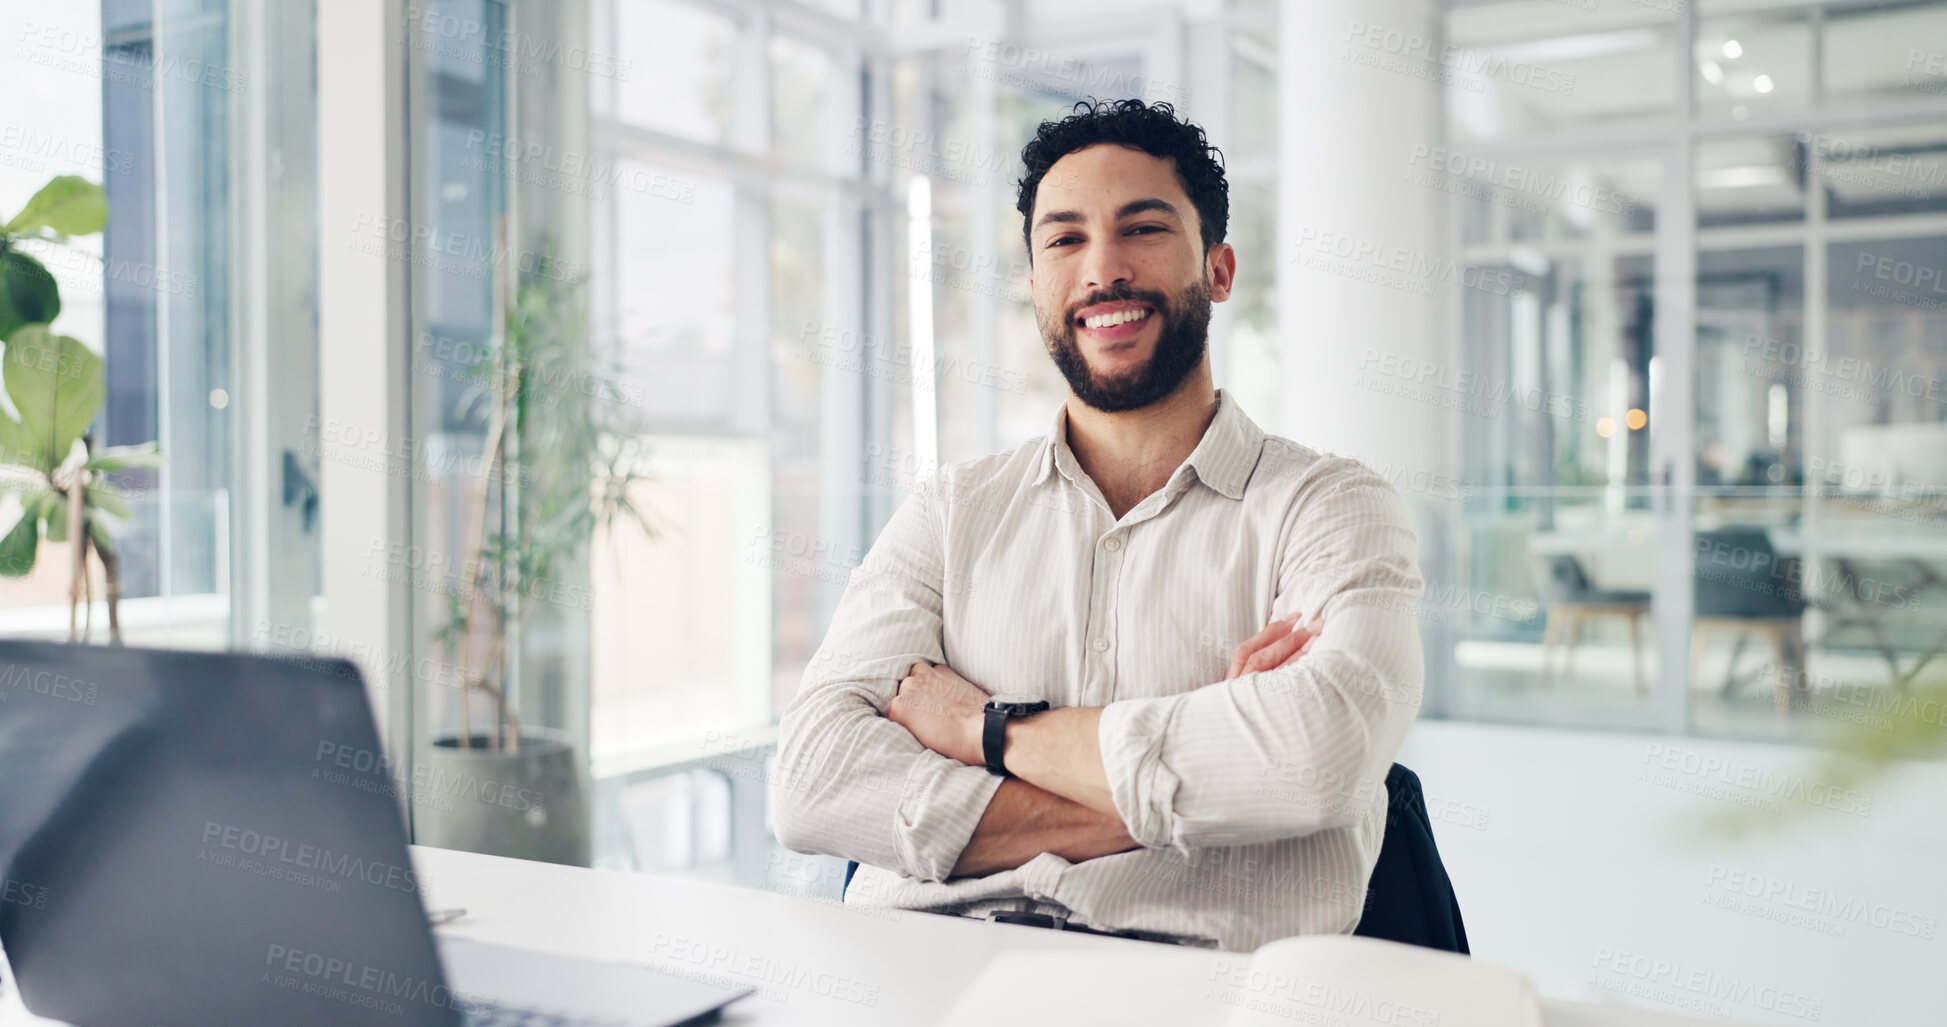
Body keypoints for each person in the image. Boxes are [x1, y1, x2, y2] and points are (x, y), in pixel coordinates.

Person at [771, 98, 1425, 952]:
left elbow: (1312, 761)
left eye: (1143, 228)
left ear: (1218, 270)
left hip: (1199, 991)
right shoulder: (949, 510)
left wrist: (986, 731)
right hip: (927, 971)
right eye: (1065, 239)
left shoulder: (1331, 507)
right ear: (1036, 284)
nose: (1101, 268)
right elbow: (812, 782)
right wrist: (1207, 779)